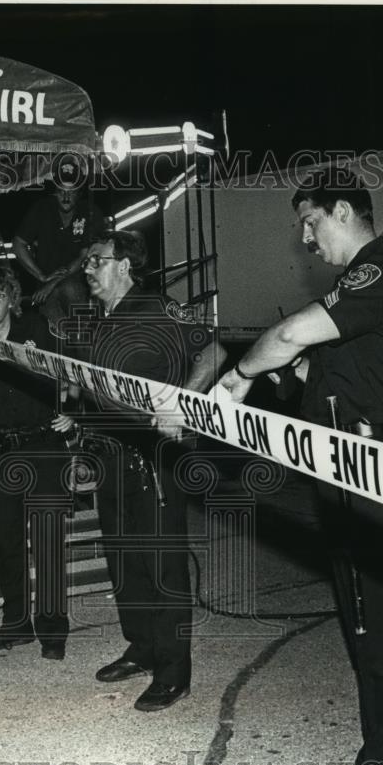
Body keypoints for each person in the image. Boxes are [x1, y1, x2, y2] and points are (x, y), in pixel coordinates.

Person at [218, 179, 383, 765]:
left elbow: (288, 336)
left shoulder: (376, 273)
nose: (306, 240)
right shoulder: (359, 286)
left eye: (312, 223)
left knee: (377, 634)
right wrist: (295, 374)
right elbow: (324, 372)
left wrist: (239, 375)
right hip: (345, 474)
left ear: (344, 212)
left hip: (371, 478)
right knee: (364, 632)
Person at [74, 229, 222, 712]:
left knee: (162, 567)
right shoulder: (102, 322)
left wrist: (183, 402)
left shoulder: (159, 308)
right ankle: (141, 647)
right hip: (111, 459)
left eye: (96, 259)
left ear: (124, 266)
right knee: (125, 562)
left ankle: (174, 670)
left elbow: (215, 350)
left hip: (153, 460)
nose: (88, 269)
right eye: (87, 262)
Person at [0, 264, 75, 659]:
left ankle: (54, 629)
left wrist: (73, 412)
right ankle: (16, 625)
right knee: (7, 543)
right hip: (0, 453)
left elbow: (73, 374)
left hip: (43, 448)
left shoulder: (37, 332)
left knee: (47, 541)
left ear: (12, 300)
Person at [12, 179, 104, 324]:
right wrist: (42, 276)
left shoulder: (91, 211)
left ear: (79, 194)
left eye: (71, 192)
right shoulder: (42, 208)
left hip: (82, 286)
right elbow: (18, 244)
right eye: (61, 192)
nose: (66, 197)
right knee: (53, 335)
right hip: (46, 290)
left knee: (69, 288)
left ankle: (88, 336)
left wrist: (53, 282)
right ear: (54, 192)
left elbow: (85, 255)